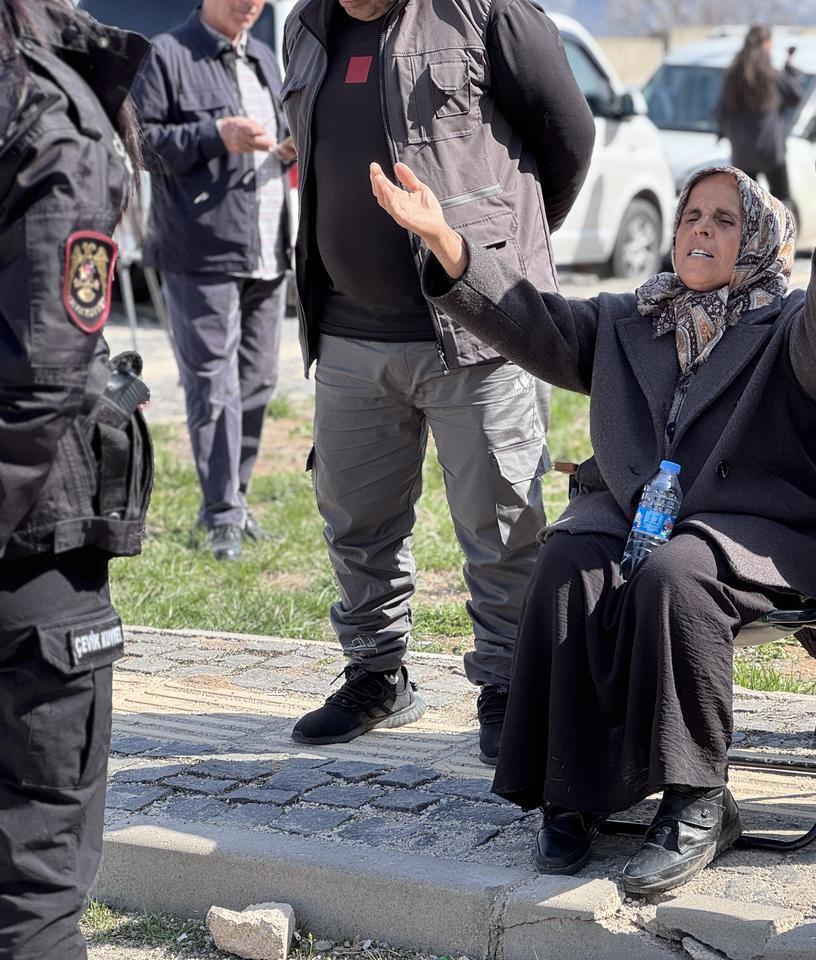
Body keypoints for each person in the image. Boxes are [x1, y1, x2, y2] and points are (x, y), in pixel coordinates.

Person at [368, 131, 816, 894]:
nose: (700, 229)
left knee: (675, 575)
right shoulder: (630, 317)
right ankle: (571, 790)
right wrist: (447, 241)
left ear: (760, 241)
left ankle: (699, 802)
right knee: (569, 560)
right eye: (690, 215)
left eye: (724, 219)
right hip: (643, 518)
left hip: (757, 530)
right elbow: (528, 318)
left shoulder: (785, 322)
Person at [280, 0, 595, 757]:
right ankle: (376, 675)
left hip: (479, 332)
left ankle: (511, 689)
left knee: (501, 526)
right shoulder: (305, 27)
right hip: (349, 332)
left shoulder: (486, 14)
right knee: (356, 521)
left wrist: (495, 256)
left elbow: (569, 140)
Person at [0, 2, 153, 957]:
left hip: (33, 551)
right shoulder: (53, 112)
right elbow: (43, 385)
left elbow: (42, 378)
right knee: (35, 898)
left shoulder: (43, 114)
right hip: (32, 546)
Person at [131, 0, 294, 562]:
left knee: (258, 382)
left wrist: (293, 144)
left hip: (268, 247)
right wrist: (214, 134)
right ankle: (219, 514)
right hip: (201, 250)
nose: (252, 6)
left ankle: (236, 503)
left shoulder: (266, 60)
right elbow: (142, 144)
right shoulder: (169, 55)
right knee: (213, 384)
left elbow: (284, 131)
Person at [716, 24, 804, 205]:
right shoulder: (771, 74)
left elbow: (721, 112)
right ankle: (778, 234)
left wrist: (729, 134)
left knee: (748, 205)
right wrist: (790, 69)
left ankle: (751, 235)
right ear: (766, 44)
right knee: (781, 200)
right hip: (770, 150)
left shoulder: (733, 75)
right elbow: (795, 97)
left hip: (742, 152)